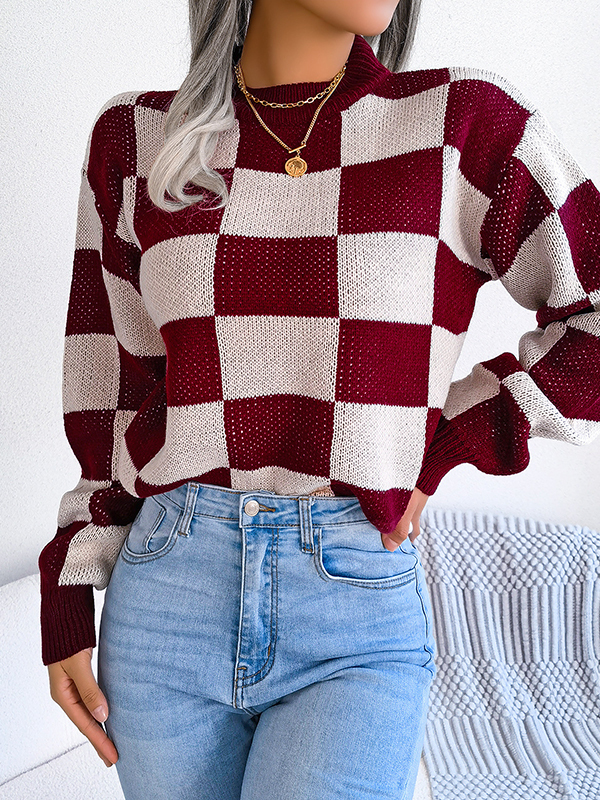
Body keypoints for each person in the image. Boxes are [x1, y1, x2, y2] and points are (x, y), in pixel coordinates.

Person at [38, 0, 600, 798]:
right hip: (166, 595)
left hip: (355, 610)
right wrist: (67, 587)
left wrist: (447, 441)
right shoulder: (137, 140)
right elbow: (113, 391)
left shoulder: (462, 126)